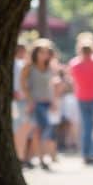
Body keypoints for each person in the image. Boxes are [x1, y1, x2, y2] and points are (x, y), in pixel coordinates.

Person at [69, 33, 93, 165]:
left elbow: (72, 79)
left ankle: (85, 153)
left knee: (87, 126)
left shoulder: (74, 64)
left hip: (81, 97)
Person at [19, 39, 58, 171]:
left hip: (46, 101)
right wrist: (30, 100)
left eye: (47, 53)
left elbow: (50, 85)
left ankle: (35, 157)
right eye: (42, 52)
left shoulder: (49, 67)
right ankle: (38, 157)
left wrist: (53, 101)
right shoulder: (28, 67)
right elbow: (23, 85)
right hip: (35, 102)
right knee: (42, 128)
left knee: (38, 131)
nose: (44, 55)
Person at [12, 43, 32, 167]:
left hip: (20, 99)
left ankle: (21, 155)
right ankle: (20, 156)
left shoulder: (20, 65)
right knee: (19, 128)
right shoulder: (19, 65)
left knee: (20, 128)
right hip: (18, 99)